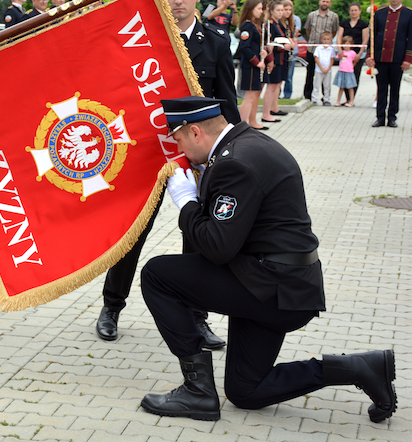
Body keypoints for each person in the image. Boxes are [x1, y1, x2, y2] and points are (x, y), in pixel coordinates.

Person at [138, 96, 397, 423]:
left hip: (271, 287)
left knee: (157, 275)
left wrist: (187, 203)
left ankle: (197, 390)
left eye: (178, 140)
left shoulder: (234, 163)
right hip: (281, 283)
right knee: (246, 390)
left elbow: (217, 247)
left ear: (195, 132)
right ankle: (362, 367)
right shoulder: (247, 144)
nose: (179, 150)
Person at [94, 0, 233, 349]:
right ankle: (111, 307)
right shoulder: (142, 38)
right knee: (134, 233)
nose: (178, 0)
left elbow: (228, 103)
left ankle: (197, 318)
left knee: (199, 238)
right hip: (148, 155)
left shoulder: (217, 41)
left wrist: (233, 151)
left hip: (198, 157)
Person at [366, 0, 412, 128]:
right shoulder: (379, 14)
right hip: (381, 57)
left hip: (398, 58)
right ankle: (380, 117)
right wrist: (369, 55)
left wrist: (408, 59)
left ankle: (392, 117)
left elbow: (411, 38)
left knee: (395, 89)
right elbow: (372, 36)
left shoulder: (410, 14)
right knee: (381, 88)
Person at [237, 0, 269, 130]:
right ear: (251, 9)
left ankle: (252, 121)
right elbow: (244, 47)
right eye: (259, 9)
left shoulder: (257, 25)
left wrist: (265, 52)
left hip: (256, 65)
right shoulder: (247, 25)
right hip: (250, 66)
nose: (261, 11)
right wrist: (256, 62)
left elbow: (258, 44)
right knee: (249, 97)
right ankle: (242, 125)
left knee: (256, 94)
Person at [303, 0, 339, 101]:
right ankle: (308, 96)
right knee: (310, 72)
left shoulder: (334, 16)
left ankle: (325, 97)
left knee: (325, 74)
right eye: (323, 1)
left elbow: (334, 31)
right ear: (320, 2)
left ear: (330, 3)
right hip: (313, 49)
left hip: (326, 51)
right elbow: (308, 30)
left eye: (327, 2)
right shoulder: (312, 15)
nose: (325, 3)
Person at [261, 1, 292, 123]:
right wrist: (283, 47)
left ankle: (272, 109)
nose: (281, 12)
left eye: (282, 10)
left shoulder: (279, 24)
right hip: (274, 58)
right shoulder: (270, 25)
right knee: (271, 86)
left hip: (281, 59)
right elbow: (269, 44)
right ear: (272, 11)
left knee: (276, 86)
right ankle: (266, 114)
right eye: (278, 10)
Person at [336, 2, 369, 100]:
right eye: (352, 10)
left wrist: (360, 53)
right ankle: (346, 98)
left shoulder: (363, 24)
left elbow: (365, 40)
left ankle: (351, 99)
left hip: (356, 54)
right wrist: (339, 49)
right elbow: (339, 37)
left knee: (355, 75)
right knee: (345, 74)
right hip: (345, 54)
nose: (353, 12)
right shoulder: (344, 23)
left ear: (359, 11)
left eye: (355, 10)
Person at [281, 0, 300, 99]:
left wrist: (293, 42)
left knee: (289, 76)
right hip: (280, 51)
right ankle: (277, 95)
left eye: (289, 10)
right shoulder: (277, 23)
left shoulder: (293, 22)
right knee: (279, 76)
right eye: (285, 9)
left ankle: (287, 95)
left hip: (290, 52)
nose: (287, 12)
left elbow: (294, 36)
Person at [334, 36, 358, 107]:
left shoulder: (353, 53)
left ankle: (351, 101)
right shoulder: (341, 52)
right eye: (345, 43)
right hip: (341, 71)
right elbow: (338, 58)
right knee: (341, 87)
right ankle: (338, 101)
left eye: (348, 43)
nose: (346, 45)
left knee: (350, 87)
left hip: (349, 72)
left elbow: (355, 61)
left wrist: (351, 67)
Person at [312, 32, 335, 106]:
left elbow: (332, 60)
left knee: (327, 86)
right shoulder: (318, 48)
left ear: (330, 40)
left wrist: (328, 68)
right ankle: (314, 99)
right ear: (321, 39)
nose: (326, 41)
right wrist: (322, 68)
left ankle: (326, 99)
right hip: (319, 70)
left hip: (328, 71)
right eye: (324, 39)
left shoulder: (331, 49)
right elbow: (316, 58)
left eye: (328, 39)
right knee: (317, 85)